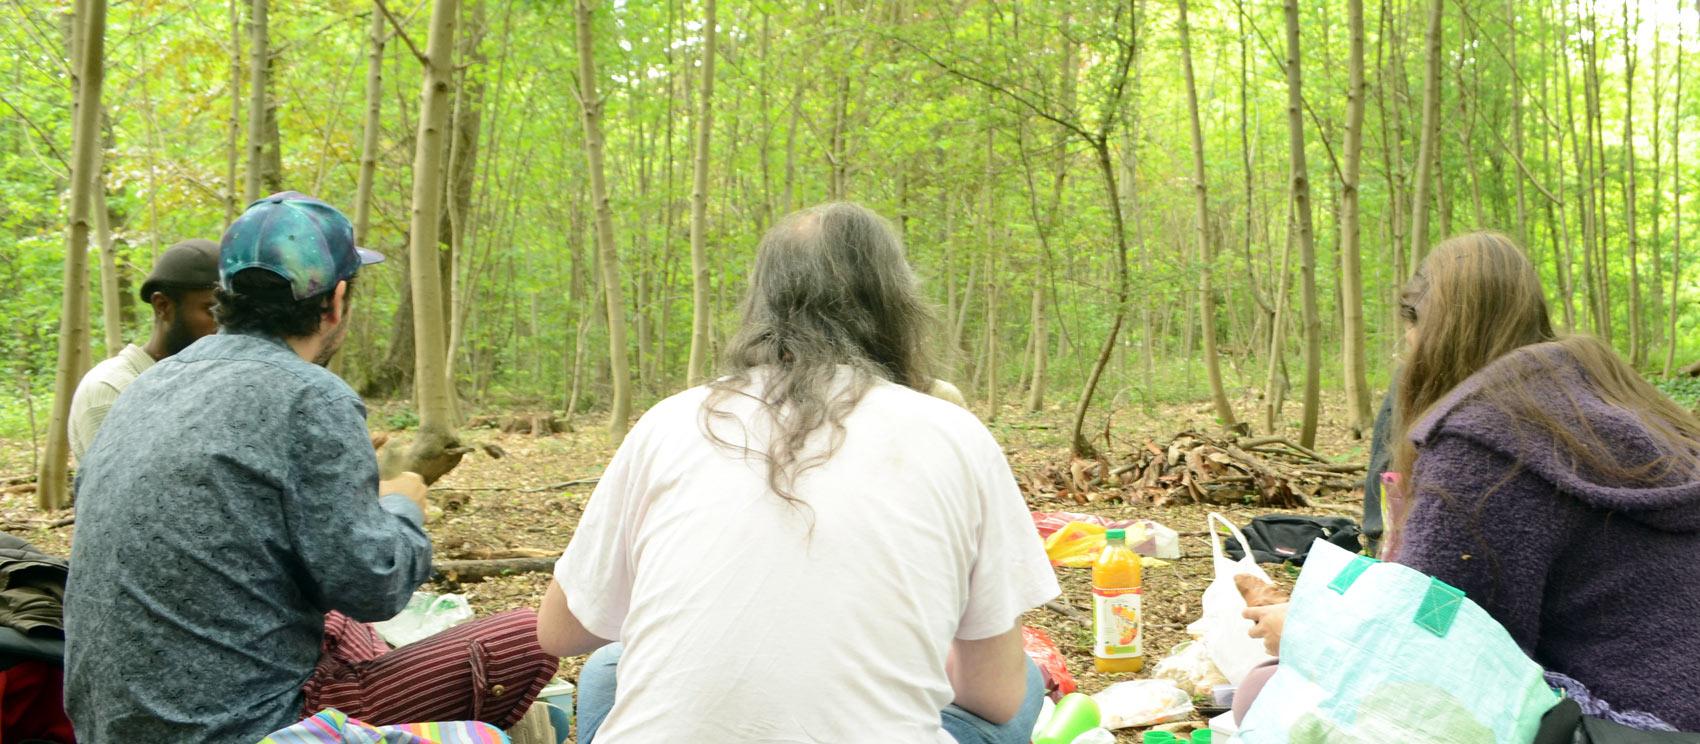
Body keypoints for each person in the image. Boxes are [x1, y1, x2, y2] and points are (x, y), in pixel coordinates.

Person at [536, 202, 1058, 743]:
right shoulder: (954, 433)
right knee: (1021, 681)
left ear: (761, 305)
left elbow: (558, 632)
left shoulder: (669, 423)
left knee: (606, 669)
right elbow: (993, 696)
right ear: (896, 305)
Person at [64, 192, 556, 744]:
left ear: (225, 295)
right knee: (528, 636)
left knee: (338, 623)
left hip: (108, 722)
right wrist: (401, 505)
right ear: (336, 301)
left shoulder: (144, 386)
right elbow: (376, 587)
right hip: (246, 727)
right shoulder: (310, 395)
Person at [1244, 232, 1700, 731]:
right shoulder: (1615, 407)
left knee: (1260, 692)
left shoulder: (1482, 445)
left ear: (1425, 329)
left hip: (1626, 724)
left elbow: (1429, 654)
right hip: (1669, 700)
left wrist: (1309, 632)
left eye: (1407, 336)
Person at [67, 238, 221, 460]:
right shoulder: (111, 389)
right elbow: (120, 479)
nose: (224, 324)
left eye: (230, 311)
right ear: (163, 306)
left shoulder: (205, 384)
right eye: (212, 310)